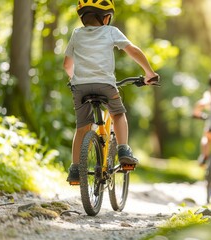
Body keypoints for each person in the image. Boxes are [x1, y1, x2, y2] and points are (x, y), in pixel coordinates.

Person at [63, 0, 159, 183]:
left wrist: (73, 79)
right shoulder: (111, 31)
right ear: (106, 17)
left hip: (80, 88)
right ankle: (123, 150)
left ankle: (75, 170)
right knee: (118, 114)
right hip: (105, 85)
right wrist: (149, 73)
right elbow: (133, 51)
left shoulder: (76, 34)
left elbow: (67, 65)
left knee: (82, 127)